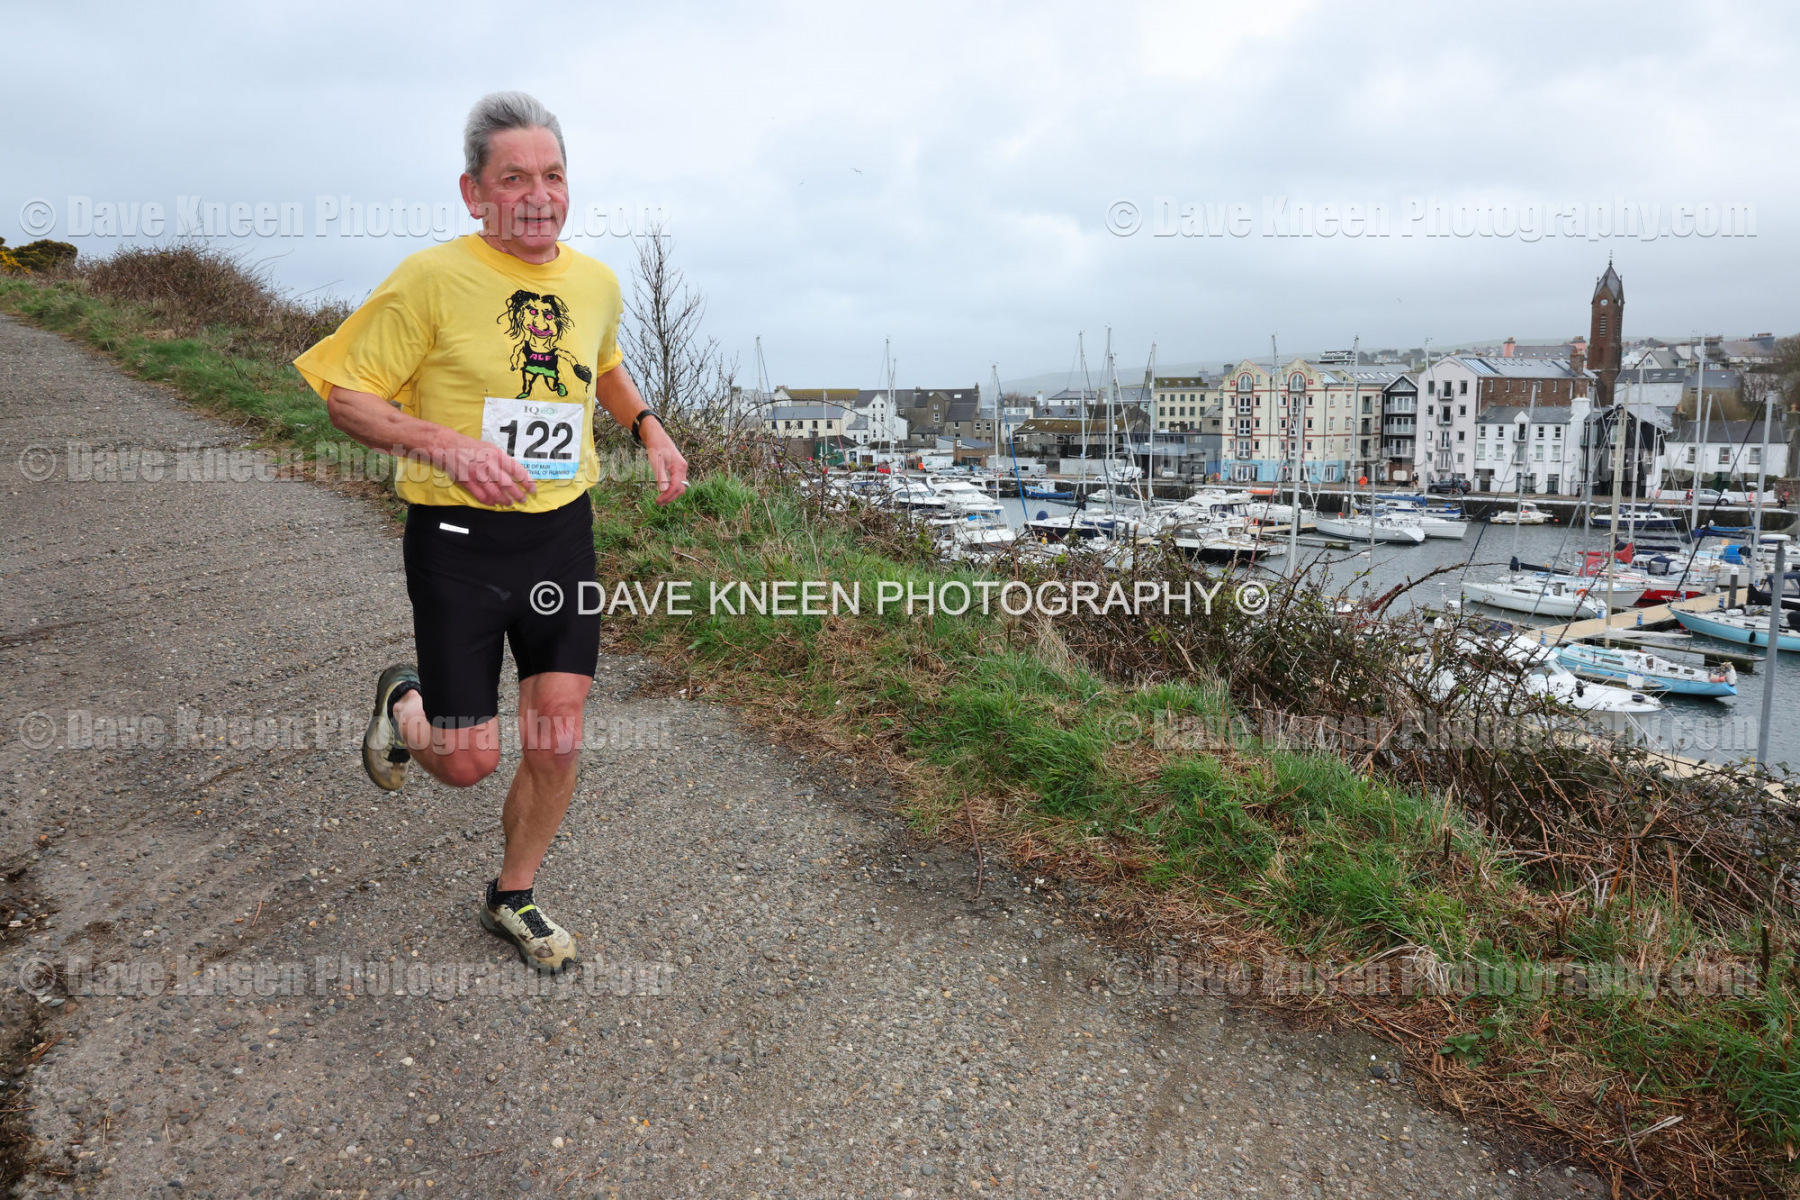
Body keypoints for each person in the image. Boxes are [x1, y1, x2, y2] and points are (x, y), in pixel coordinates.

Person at [294, 91, 688, 973]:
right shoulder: (430, 279)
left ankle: (513, 895)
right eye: (514, 180)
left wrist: (649, 428)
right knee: (468, 761)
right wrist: (448, 446)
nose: (539, 196)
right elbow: (347, 395)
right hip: (458, 541)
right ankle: (405, 704)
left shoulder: (595, 281)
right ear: (474, 193)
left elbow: (604, 363)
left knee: (558, 733)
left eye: (553, 176)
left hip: (561, 536)